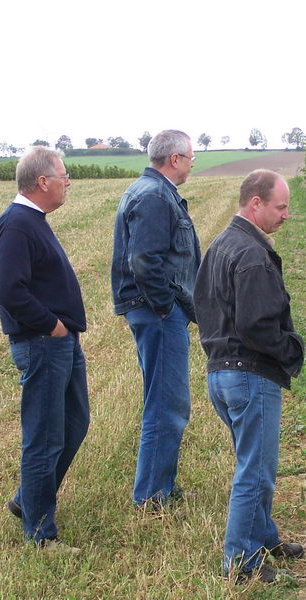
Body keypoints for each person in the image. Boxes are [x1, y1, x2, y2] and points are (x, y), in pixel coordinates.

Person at [194, 169, 305, 583]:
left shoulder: (220, 245)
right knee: (255, 470)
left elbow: (201, 306)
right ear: (255, 203)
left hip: (220, 373)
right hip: (248, 375)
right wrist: (291, 350)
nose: (286, 215)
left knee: (252, 462)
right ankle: (240, 562)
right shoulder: (252, 254)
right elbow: (258, 324)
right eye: (281, 206)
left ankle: (263, 537)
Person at [0, 146, 89, 553]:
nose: (69, 182)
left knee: (75, 423)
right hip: (42, 344)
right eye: (64, 175)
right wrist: (52, 326)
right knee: (44, 437)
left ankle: (28, 499)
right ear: (43, 181)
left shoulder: (34, 221)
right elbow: (10, 290)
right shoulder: (17, 224)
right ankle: (40, 533)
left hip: (60, 343)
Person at [110, 129, 201, 508]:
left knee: (163, 399)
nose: (193, 163)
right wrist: (166, 307)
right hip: (157, 312)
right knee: (167, 403)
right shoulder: (153, 196)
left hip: (154, 311)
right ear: (174, 158)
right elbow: (145, 261)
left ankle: (160, 482)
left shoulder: (150, 191)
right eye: (191, 157)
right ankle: (151, 495)